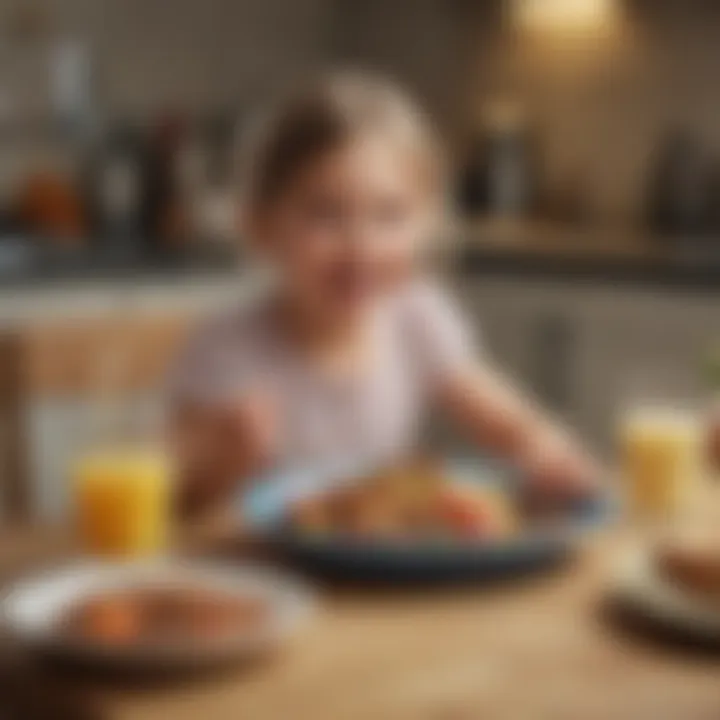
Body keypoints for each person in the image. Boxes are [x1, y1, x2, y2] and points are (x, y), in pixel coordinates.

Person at [168, 72, 598, 514]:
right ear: (263, 225)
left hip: (390, 573)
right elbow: (183, 501)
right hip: (264, 572)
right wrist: (227, 459)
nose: (361, 245)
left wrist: (548, 453)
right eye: (325, 214)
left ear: (426, 225)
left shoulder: (416, 317)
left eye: (389, 215)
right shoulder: (225, 348)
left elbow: (511, 426)